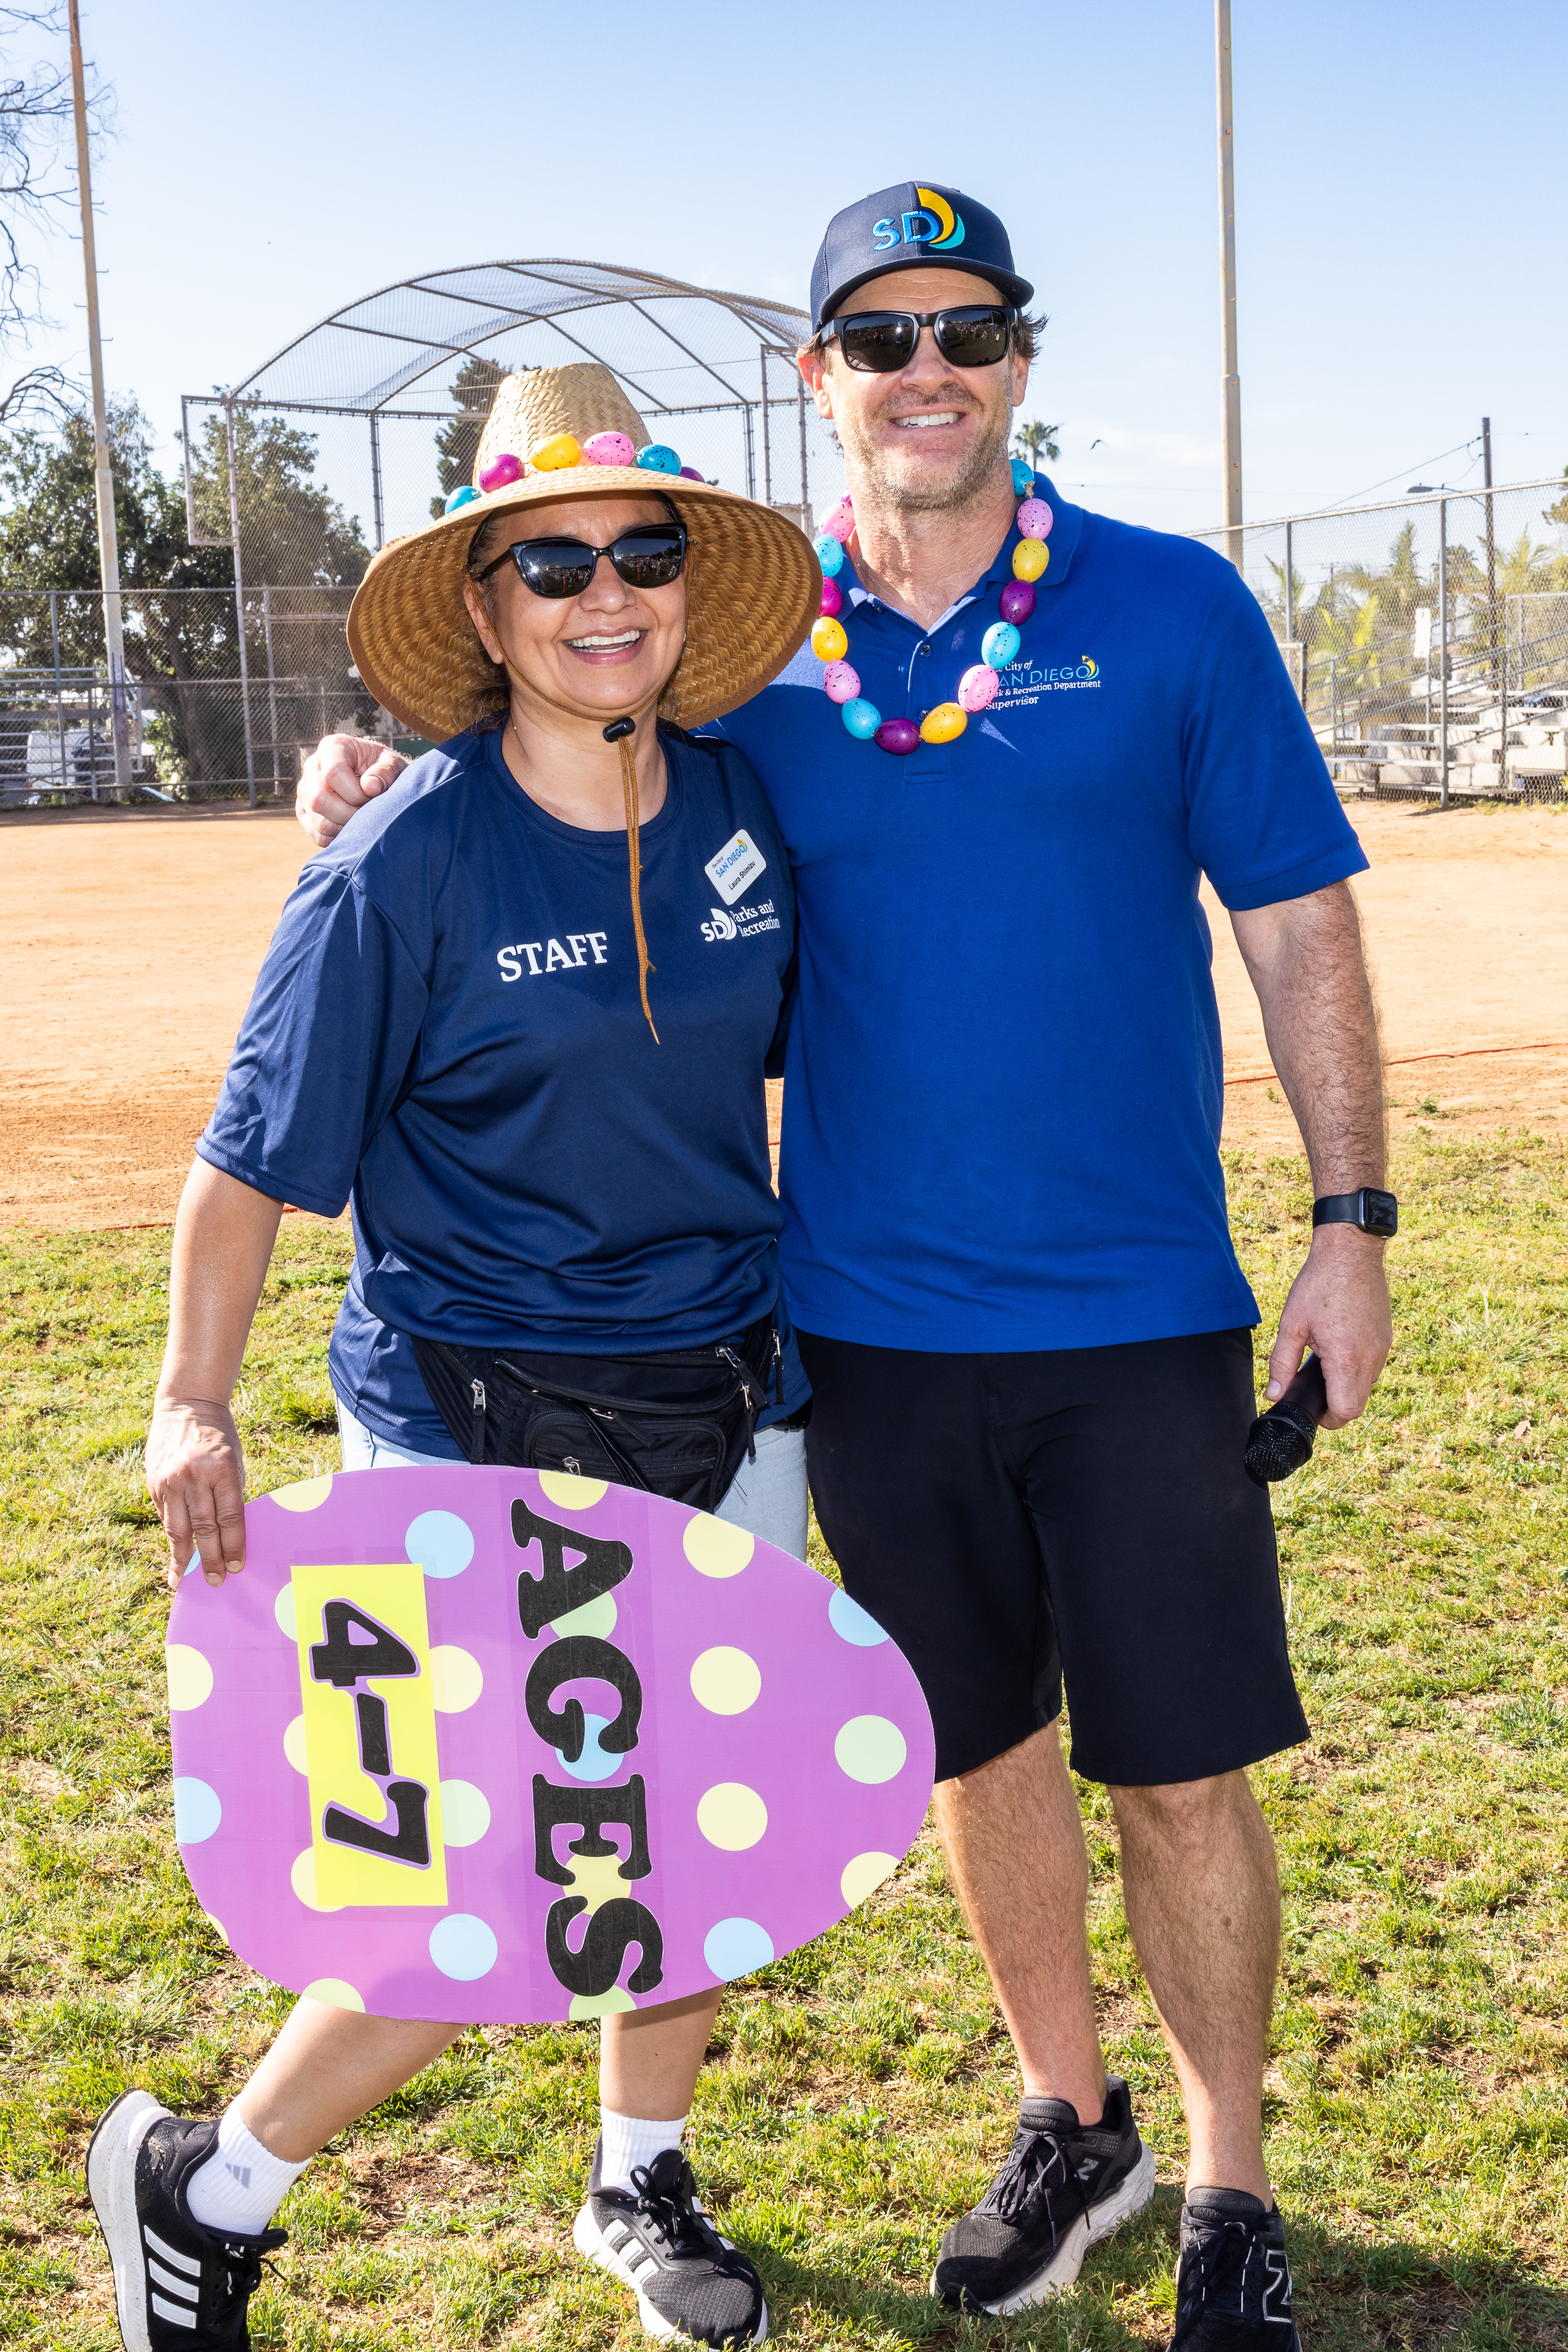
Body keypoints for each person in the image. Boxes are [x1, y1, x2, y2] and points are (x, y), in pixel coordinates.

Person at [301, 180, 1391, 2352]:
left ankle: (1226, 2187)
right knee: (977, 1750)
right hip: (860, 1333)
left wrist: (1347, 1221)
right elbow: (558, 764)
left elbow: (1293, 921)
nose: (925, 373)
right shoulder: (751, 672)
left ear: (1014, 361)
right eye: (878, 338)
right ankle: (1062, 2114)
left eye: (964, 331)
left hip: (1138, 1313)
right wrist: (374, 782)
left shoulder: (1171, 612)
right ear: (822, 378)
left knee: (1176, 1766)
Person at [90, 362, 824, 2352]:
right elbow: (250, 1162)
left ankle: (636, 2170)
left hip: (723, 1400)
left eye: (642, 549)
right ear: (488, 610)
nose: (608, 591)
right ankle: (203, 2186)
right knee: (486, 1884)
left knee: (688, 1839)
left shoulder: (753, 802)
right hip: (469, 1427)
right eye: (553, 558)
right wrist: (189, 1396)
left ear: (685, 581)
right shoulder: (398, 859)